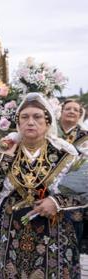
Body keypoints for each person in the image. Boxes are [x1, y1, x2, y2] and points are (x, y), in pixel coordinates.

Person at [0, 92, 87, 278]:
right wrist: (4, 158)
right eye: (25, 117)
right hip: (9, 231)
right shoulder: (8, 149)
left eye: (37, 117)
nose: (30, 122)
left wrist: (56, 202)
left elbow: (82, 189)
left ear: (48, 122)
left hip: (54, 230)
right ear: (18, 123)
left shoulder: (65, 152)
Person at [58, 99, 88, 253]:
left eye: (75, 110)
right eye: (68, 108)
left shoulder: (85, 136)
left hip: (73, 187)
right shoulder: (50, 132)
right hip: (47, 186)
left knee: (73, 232)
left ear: (79, 115)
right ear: (61, 112)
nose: (71, 112)